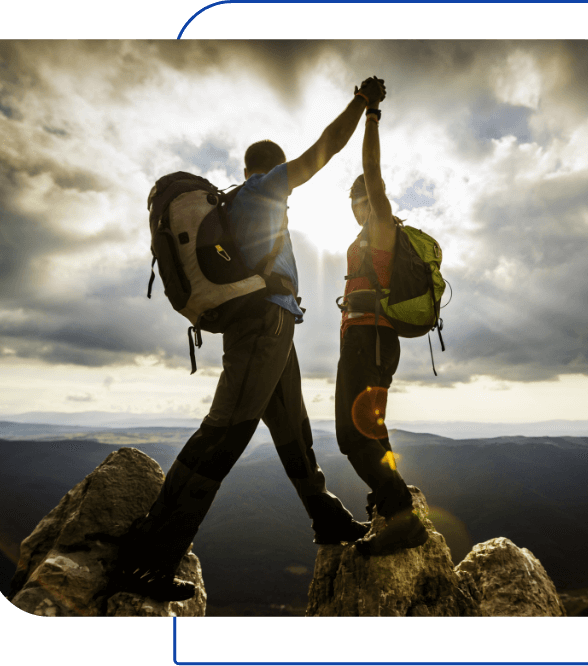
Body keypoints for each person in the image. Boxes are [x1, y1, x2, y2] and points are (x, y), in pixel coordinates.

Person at [112, 76, 389, 602]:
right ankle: (148, 560)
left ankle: (327, 520)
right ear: (269, 169)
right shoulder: (266, 189)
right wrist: (362, 105)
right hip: (264, 327)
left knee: (294, 436)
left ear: (242, 169)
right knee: (223, 436)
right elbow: (323, 151)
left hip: (271, 329)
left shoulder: (235, 200)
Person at [335, 94, 429, 557]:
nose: (359, 206)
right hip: (366, 338)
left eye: (362, 198)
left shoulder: (383, 225)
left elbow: (372, 171)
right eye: (355, 201)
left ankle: (401, 519)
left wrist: (370, 116)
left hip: (369, 339)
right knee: (372, 428)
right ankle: (393, 503)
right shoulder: (364, 238)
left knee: (351, 434)